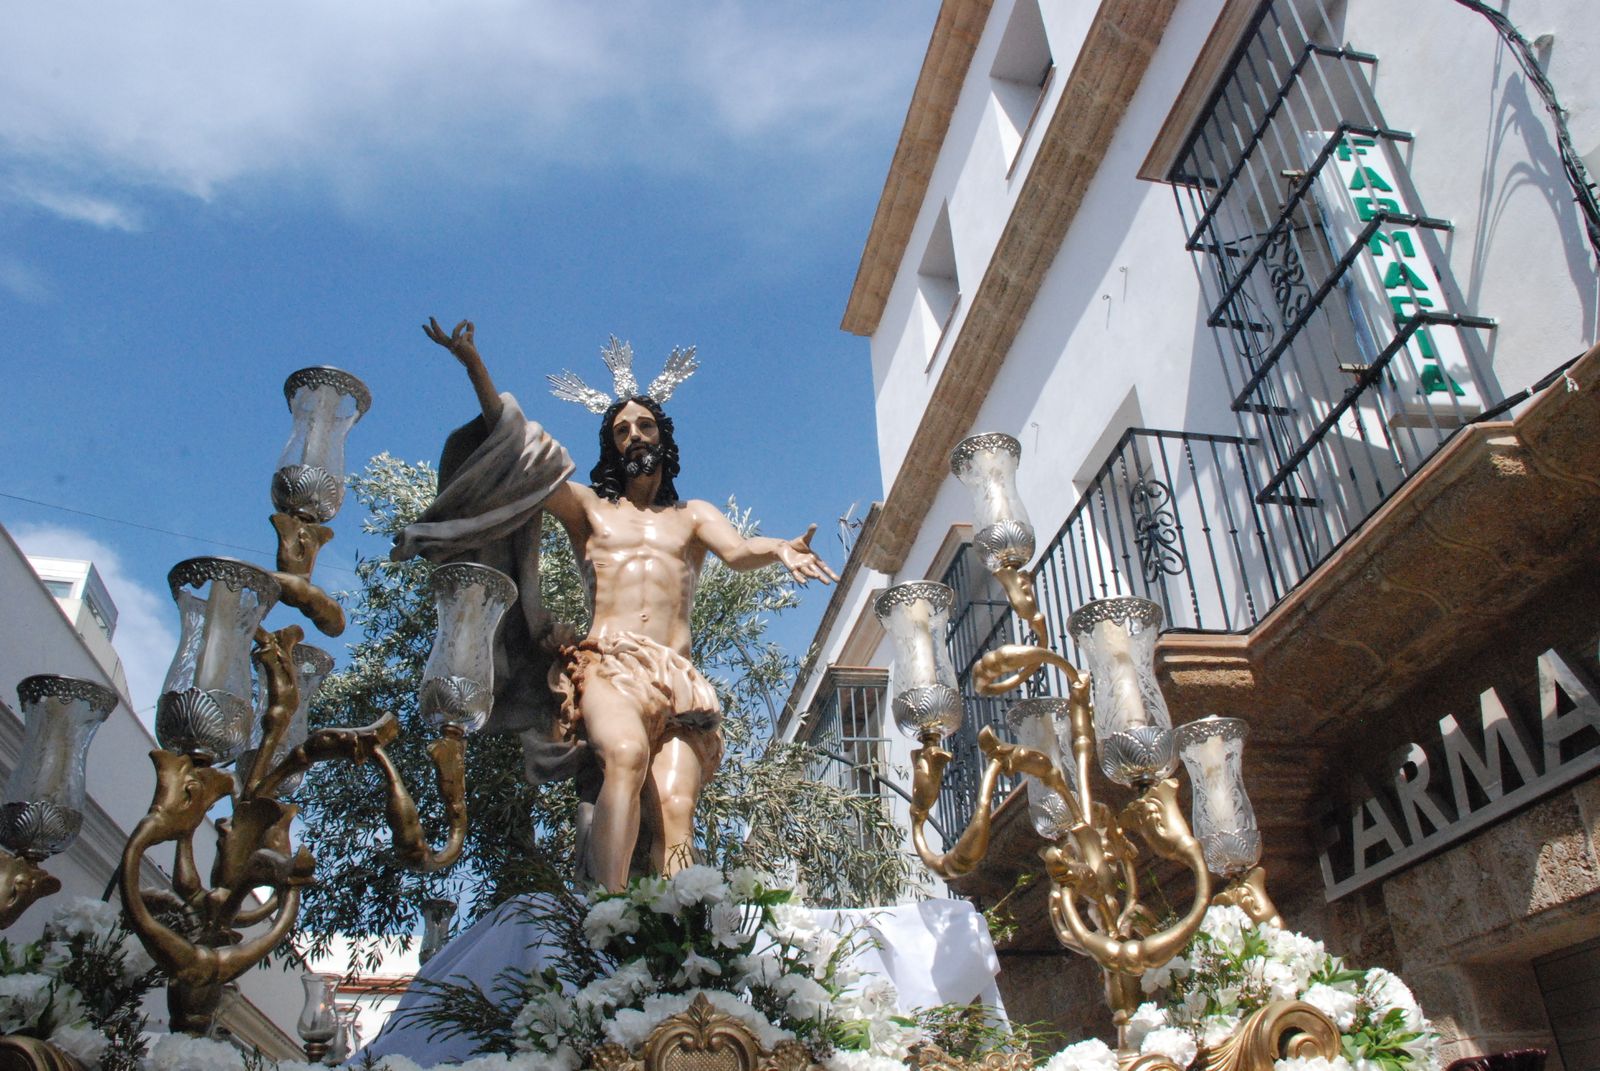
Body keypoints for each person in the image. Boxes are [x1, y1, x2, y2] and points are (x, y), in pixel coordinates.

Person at [393, 319, 838, 892]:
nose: (634, 435)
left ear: (663, 437)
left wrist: (778, 548)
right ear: (612, 445)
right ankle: (608, 909)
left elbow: (737, 551)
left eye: (644, 425)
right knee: (624, 756)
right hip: (609, 663)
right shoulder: (589, 509)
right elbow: (518, 451)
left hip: (677, 675)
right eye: (622, 429)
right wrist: (475, 366)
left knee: (676, 807)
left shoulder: (693, 515)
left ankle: (678, 929)